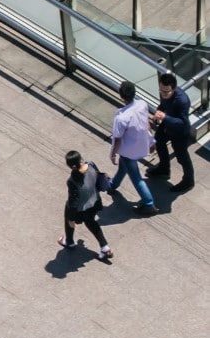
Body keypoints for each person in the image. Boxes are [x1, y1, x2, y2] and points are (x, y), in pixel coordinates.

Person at [109, 81, 157, 216]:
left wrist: (112, 154)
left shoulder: (121, 117)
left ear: (121, 96)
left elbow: (117, 138)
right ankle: (112, 185)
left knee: (136, 178)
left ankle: (149, 204)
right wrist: (151, 141)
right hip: (141, 146)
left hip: (129, 151)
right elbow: (147, 124)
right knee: (124, 167)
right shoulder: (142, 105)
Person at [59, 151, 113, 261]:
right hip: (95, 202)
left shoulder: (72, 181)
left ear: (70, 166)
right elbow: (98, 177)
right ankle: (105, 248)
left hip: (81, 209)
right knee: (91, 222)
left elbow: (73, 201)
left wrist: (71, 216)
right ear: (80, 159)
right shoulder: (91, 165)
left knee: (69, 218)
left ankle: (70, 242)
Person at [148, 73, 194, 193]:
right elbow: (163, 104)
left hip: (179, 132)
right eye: (161, 90)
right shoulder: (164, 91)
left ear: (173, 89)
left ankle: (188, 181)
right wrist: (158, 112)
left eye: (166, 92)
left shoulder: (182, 101)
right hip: (167, 124)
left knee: (182, 157)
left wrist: (164, 117)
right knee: (158, 140)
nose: (163, 94)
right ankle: (164, 169)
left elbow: (182, 122)